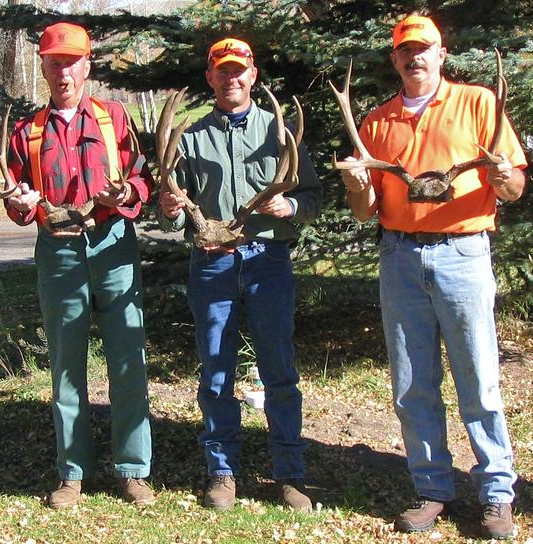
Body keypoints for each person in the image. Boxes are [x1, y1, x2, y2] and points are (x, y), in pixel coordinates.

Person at [337, 15, 525, 540]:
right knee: (413, 383)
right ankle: (432, 488)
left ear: (442, 53)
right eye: (405, 51)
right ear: (395, 60)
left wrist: (505, 176)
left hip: (463, 254)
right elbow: (363, 209)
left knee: (479, 378)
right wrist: (356, 183)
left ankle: (496, 494)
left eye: (424, 48)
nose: (415, 57)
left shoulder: (479, 103)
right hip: (399, 257)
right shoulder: (377, 122)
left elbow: (510, 189)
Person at [159, 38, 322, 512]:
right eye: (222, 71)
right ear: (211, 77)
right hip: (212, 263)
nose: (231, 78)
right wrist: (170, 208)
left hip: (267, 262)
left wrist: (288, 205)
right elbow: (173, 207)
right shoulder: (188, 138)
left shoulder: (280, 133)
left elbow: (311, 199)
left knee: (280, 373)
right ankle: (222, 473)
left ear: (252, 75)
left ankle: (290, 475)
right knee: (215, 374)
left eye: (239, 71)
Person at [2, 22, 155, 508]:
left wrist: (127, 193)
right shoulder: (27, 132)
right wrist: (22, 201)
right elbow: (14, 195)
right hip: (59, 249)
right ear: (44, 68)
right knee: (67, 364)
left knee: (128, 358)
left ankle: (133, 469)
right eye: (55, 62)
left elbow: (142, 180)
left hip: (112, 246)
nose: (64, 71)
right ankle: (72, 473)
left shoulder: (114, 118)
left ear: (87, 65)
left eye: (72, 61)